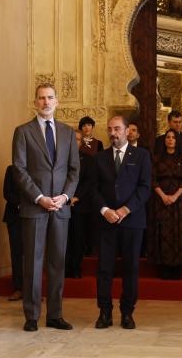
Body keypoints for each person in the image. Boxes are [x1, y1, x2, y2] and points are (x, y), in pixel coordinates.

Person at [12, 83, 79, 332]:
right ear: (35, 102)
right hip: (35, 207)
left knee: (57, 263)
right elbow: (19, 169)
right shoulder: (23, 132)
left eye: (50, 98)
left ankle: (55, 314)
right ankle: (31, 316)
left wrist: (64, 196)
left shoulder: (67, 132)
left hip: (61, 208)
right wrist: (39, 197)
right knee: (32, 262)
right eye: (41, 98)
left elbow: (74, 170)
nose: (46, 102)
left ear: (57, 101)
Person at [92, 116, 151, 329]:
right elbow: (94, 189)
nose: (113, 133)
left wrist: (126, 209)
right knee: (104, 268)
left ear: (127, 131)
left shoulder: (142, 155)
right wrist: (105, 210)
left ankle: (127, 312)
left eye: (117, 129)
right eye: (110, 129)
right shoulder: (99, 158)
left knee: (131, 268)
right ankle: (104, 312)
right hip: (106, 221)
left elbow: (145, 187)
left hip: (132, 220)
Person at [149, 129, 182, 279]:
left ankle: (177, 267)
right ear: (164, 140)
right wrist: (162, 195)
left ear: (177, 141)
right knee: (163, 232)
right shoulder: (156, 158)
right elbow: (152, 178)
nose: (170, 139)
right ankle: (164, 267)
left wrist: (175, 196)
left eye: (173, 137)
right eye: (168, 137)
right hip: (160, 199)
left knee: (178, 231)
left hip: (178, 200)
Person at [154, 111, 182, 214]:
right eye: (175, 122)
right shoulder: (160, 140)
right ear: (169, 122)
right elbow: (158, 157)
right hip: (164, 183)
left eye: (180, 122)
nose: (178, 124)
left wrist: (176, 150)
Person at [66, 130, 95, 278]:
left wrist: (76, 197)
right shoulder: (59, 158)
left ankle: (76, 269)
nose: (75, 141)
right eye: (72, 139)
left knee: (77, 239)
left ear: (81, 142)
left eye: (78, 139)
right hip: (62, 204)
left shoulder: (88, 159)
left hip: (80, 205)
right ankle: (64, 269)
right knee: (63, 239)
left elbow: (89, 182)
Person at [2, 165, 23, 300]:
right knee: (16, 253)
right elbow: (7, 192)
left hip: (34, 216)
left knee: (32, 254)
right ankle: (19, 288)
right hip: (14, 216)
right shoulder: (11, 169)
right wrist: (20, 204)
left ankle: (33, 291)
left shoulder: (38, 167)